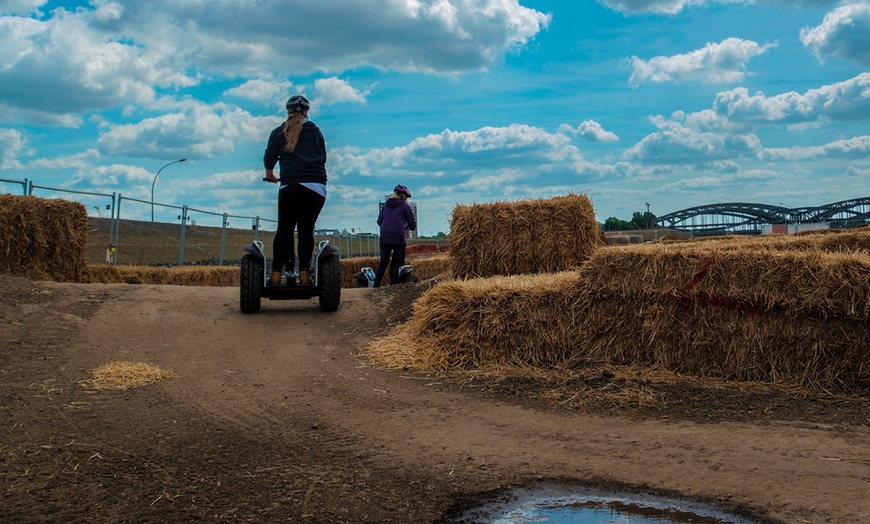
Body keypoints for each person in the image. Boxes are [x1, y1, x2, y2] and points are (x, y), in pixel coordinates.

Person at [263, 94, 327, 286]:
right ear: (306, 112)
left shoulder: (278, 132)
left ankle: (277, 275)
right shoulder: (316, 132)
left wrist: (270, 174)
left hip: (290, 184)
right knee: (306, 230)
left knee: (285, 229)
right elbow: (322, 157)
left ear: (288, 110)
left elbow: (269, 158)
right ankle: (305, 274)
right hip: (316, 186)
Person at [373, 184, 417, 287]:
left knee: (383, 262)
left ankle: (375, 286)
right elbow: (412, 223)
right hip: (398, 237)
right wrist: (408, 227)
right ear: (403, 196)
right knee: (398, 262)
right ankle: (393, 286)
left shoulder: (385, 206)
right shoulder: (404, 206)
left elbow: (379, 221)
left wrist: (387, 228)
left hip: (384, 237)